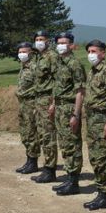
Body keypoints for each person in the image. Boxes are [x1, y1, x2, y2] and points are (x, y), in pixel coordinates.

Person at [83, 40, 106, 209]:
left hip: (102, 118)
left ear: (103, 53)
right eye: (89, 51)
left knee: (103, 158)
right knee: (95, 157)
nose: (91, 54)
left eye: (94, 51)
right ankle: (101, 191)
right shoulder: (92, 72)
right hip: (91, 119)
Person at [48, 32, 86, 196]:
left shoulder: (75, 64)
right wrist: (54, 104)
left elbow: (80, 91)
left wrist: (76, 114)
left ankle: (74, 181)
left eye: (64, 42)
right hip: (60, 108)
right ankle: (69, 178)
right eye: (59, 43)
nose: (61, 45)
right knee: (64, 144)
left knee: (72, 145)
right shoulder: (59, 62)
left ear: (71, 45)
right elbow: (58, 87)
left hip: (70, 108)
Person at [29, 31, 58, 182]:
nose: (39, 41)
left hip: (48, 99)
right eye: (37, 39)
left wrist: (53, 103)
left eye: (42, 39)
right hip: (39, 99)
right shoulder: (39, 57)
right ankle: (47, 167)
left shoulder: (52, 56)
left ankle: (50, 170)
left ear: (48, 41)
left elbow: (56, 80)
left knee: (48, 135)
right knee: (42, 134)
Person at [14, 41, 40, 174]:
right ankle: (29, 159)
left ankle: (33, 162)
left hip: (31, 104)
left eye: (24, 51)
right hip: (23, 104)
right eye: (20, 51)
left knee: (31, 133)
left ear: (31, 52)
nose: (21, 54)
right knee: (25, 133)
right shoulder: (23, 67)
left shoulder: (35, 67)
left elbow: (40, 86)